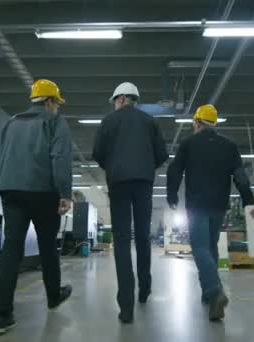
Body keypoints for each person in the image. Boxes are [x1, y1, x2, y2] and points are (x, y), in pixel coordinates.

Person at [0, 79, 73, 335]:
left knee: (11, 250)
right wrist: (65, 193)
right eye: (56, 103)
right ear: (49, 101)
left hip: (11, 191)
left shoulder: (11, 122)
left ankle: (1, 316)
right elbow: (59, 158)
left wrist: (7, 184)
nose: (57, 107)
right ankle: (53, 295)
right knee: (48, 246)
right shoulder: (54, 121)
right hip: (43, 192)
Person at [166, 104, 254, 321]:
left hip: (197, 205)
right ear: (213, 123)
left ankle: (215, 291)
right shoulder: (229, 146)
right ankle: (209, 294)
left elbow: (175, 170)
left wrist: (172, 196)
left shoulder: (188, 143)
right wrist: (249, 201)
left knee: (199, 248)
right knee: (210, 247)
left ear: (197, 122)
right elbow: (240, 176)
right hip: (219, 206)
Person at [92, 82, 168, 323]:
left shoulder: (109, 121)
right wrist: (145, 167)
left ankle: (126, 306)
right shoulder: (149, 121)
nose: (115, 104)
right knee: (143, 236)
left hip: (118, 183)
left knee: (123, 239)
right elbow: (162, 155)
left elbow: (98, 153)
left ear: (122, 98)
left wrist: (114, 167)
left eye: (115, 100)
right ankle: (144, 290)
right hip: (143, 183)